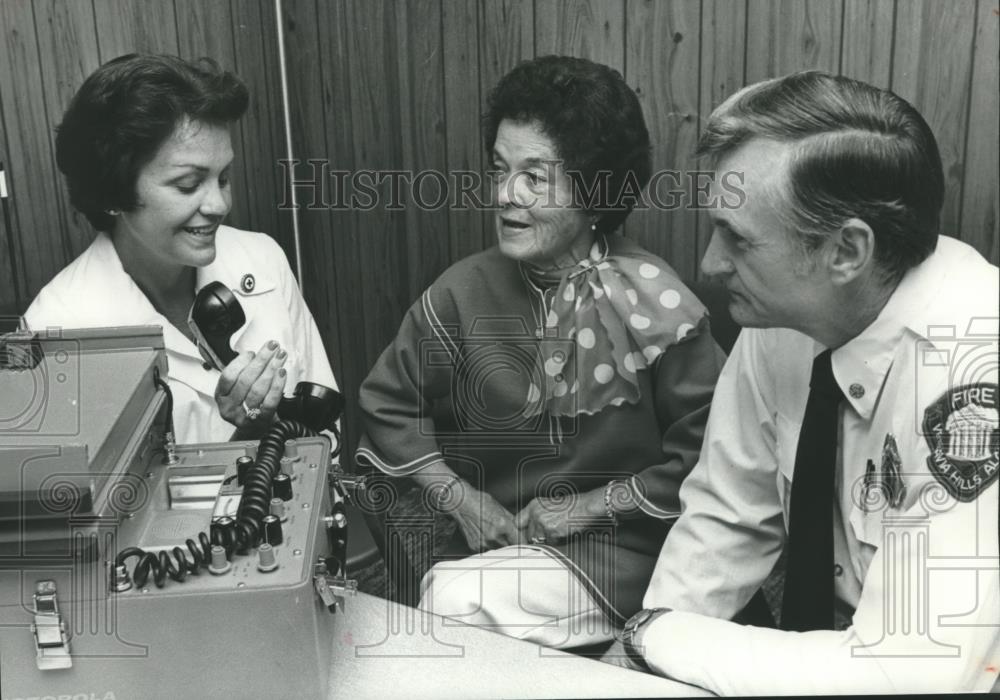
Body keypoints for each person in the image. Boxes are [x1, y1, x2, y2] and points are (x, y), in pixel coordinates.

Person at [606, 71, 999, 694]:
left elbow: (910, 673)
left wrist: (659, 637)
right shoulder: (783, 310)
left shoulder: (977, 376)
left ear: (846, 251)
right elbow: (726, 517)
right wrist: (634, 670)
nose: (708, 265)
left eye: (737, 239)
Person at [356, 55, 725, 649]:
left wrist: (587, 508)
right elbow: (388, 405)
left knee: (454, 604)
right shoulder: (461, 292)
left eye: (535, 176)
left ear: (596, 191)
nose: (505, 196)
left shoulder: (660, 304)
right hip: (502, 544)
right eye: (499, 170)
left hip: (627, 553)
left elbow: (713, 462)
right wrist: (461, 498)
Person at [23, 54, 337, 444]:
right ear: (113, 192)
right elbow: (92, 499)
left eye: (223, 178)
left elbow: (325, 433)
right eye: (188, 184)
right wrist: (248, 436)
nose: (219, 205)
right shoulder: (59, 327)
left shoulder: (263, 259)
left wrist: (276, 428)